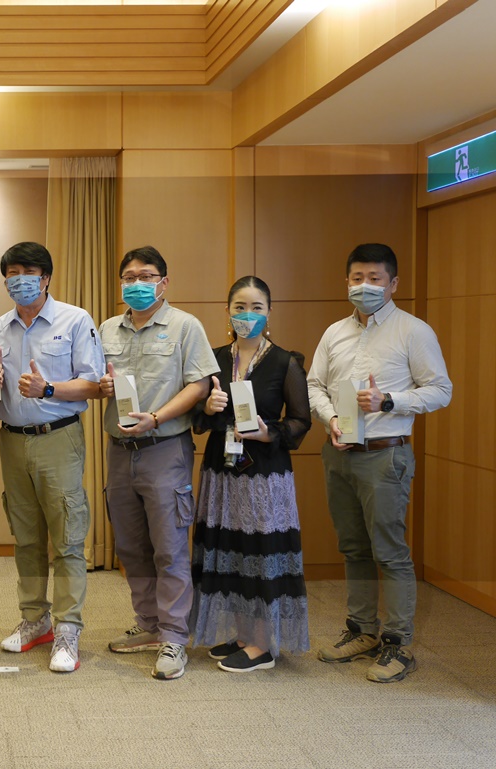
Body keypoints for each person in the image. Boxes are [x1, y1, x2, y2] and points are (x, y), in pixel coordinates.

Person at [308, 243, 452, 683]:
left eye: (375, 279)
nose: (365, 286)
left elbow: (441, 390)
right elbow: (314, 385)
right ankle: (362, 630)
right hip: (340, 452)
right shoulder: (334, 332)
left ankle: (398, 643)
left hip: (386, 455)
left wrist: (389, 399)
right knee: (353, 548)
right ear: (346, 282)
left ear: (393, 284)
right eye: (357, 278)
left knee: (390, 552)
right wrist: (331, 418)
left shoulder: (413, 331)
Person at [97, 245, 218, 681]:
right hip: (118, 451)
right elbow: (96, 380)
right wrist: (100, 385)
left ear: (163, 282)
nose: (137, 284)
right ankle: (149, 624)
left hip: (164, 448)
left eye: (146, 276)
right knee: (131, 547)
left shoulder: (185, 326)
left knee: (169, 547)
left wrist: (157, 417)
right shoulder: (107, 328)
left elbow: (200, 385)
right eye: (129, 277)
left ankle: (174, 636)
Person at [0, 241, 104, 673]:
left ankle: (68, 628)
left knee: (67, 537)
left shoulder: (75, 319)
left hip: (58, 437)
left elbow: (94, 384)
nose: (20, 280)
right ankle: (35, 619)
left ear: (46, 277)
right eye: (12, 273)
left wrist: (48, 388)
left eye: (28, 272)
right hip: (12, 440)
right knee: (26, 537)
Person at [190, 276, 312, 673]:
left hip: (264, 475)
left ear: (269, 312)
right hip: (221, 470)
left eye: (256, 307)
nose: (247, 315)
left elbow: (301, 420)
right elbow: (196, 419)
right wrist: (207, 408)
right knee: (229, 550)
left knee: (260, 553)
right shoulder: (212, 359)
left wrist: (266, 432)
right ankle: (243, 636)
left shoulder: (284, 362)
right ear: (227, 311)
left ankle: (263, 646)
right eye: (240, 307)